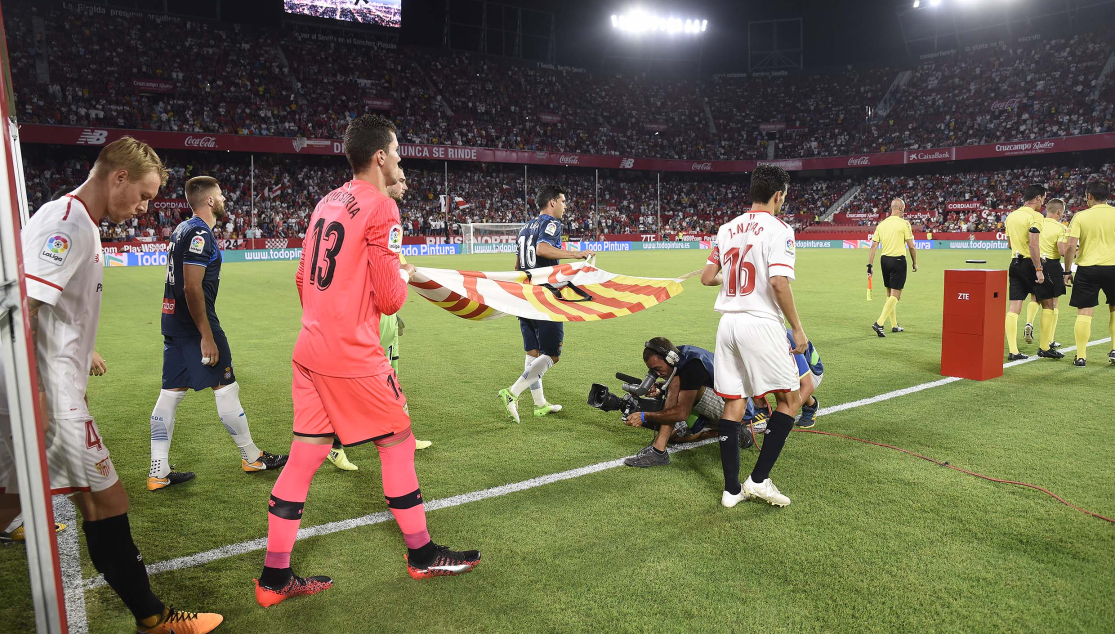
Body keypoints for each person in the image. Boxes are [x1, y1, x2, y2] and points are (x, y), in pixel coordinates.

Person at [255, 115, 480, 608]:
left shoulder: (327, 200)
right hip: (352, 355)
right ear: (380, 156)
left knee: (306, 455)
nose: (400, 158)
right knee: (398, 444)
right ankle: (422, 555)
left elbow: (301, 278)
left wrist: (326, 317)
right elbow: (391, 299)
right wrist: (403, 271)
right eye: (397, 150)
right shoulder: (382, 208)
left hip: (309, 348)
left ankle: (273, 580)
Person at [0, 138, 222, 632]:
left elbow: (48, 305)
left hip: (49, 384)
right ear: (117, 177)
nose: (143, 209)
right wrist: (34, 394)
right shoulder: (69, 224)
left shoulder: (72, 217)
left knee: (10, 498)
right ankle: (155, 618)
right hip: (50, 397)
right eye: (142, 196)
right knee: (108, 501)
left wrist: (81, 348)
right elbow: (22, 310)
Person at [147, 176, 288, 490]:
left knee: (170, 394)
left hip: (172, 323)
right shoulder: (198, 232)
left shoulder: (182, 229)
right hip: (196, 326)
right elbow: (191, 287)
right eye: (221, 194)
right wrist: (206, 336)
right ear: (209, 200)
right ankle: (252, 457)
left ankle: (158, 471)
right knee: (226, 388)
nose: (225, 198)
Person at [701, 164, 808, 509]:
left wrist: (729, 278)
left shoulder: (726, 228)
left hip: (727, 324)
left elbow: (706, 277)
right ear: (778, 195)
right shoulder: (780, 229)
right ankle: (758, 481)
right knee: (792, 400)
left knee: (734, 403)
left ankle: (731, 489)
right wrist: (796, 327)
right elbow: (778, 283)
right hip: (759, 323)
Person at [327, 168, 430, 472]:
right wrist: (403, 275)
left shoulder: (381, 218)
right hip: (370, 316)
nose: (406, 186)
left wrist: (403, 271)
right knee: (358, 385)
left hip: (385, 317)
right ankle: (334, 446)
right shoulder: (379, 213)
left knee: (391, 379)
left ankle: (401, 437)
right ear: (385, 181)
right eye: (400, 180)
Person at [497, 184, 594, 423]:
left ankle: (540, 404)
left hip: (526, 295)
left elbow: (518, 265)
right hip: (545, 296)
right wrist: (575, 254)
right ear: (552, 202)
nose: (565, 206)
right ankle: (512, 392)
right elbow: (542, 248)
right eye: (562, 201)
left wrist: (519, 292)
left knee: (533, 353)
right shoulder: (551, 223)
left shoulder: (523, 229)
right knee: (552, 354)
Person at [620, 338, 760, 468]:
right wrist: (661, 389)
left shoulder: (692, 366)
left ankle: (658, 451)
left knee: (674, 383)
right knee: (674, 436)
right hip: (714, 403)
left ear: (669, 359)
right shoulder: (678, 357)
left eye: (657, 369)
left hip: (738, 409)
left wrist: (644, 416)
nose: (656, 373)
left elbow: (681, 413)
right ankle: (721, 430)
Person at [1063, 179, 1115, 367]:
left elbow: (1070, 247)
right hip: (1113, 267)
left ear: (1090, 196)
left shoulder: (1081, 216)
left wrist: (1067, 270)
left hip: (1088, 269)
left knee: (1085, 312)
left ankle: (1081, 356)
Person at [1003, 184, 1051, 360]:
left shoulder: (1011, 216)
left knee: (1014, 308)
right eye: (1043, 199)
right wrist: (1039, 269)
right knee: (1048, 304)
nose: (1043, 203)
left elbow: (1009, 243)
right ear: (1038, 198)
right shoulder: (1036, 216)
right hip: (1030, 264)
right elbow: (1033, 244)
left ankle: (1013, 351)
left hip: (1014, 263)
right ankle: (1045, 347)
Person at [1023, 199, 1070, 357]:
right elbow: (1062, 251)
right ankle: (1047, 343)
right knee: (1051, 304)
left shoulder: (1037, 222)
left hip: (1033, 264)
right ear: (1059, 212)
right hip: (1051, 265)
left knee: (1035, 298)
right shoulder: (1061, 227)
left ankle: (1029, 322)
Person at [867, 198, 917, 337]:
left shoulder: (881, 224)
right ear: (900, 208)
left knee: (889, 294)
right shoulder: (904, 224)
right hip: (898, 260)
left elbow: (873, 246)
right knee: (896, 296)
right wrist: (915, 262)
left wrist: (870, 265)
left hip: (885, 261)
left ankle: (894, 325)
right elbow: (911, 246)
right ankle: (879, 323)